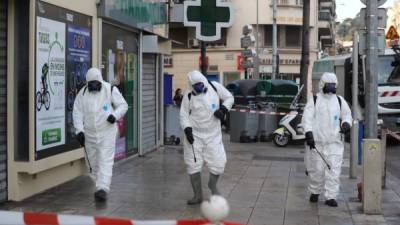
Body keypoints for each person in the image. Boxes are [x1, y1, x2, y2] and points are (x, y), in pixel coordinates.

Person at [73, 67, 128, 202]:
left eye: (96, 84)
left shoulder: (110, 90)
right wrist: (79, 131)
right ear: (87, 83)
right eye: (91, 84)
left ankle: (103, 188)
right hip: (89, 134)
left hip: (107, 133)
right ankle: (99, 185)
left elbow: (123, 105)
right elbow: (77, 113)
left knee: (105, 160)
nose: (94, 86)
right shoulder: (82, 94)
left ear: (100, 81)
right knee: (91, 163)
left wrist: (114, 116)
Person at [180, 70, 234, 205]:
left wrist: (223, 109)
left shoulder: (215, 86)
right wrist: (187, 129)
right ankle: (197, 195)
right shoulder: (188, 95)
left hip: (213, 134)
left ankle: (212, 184)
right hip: (195, 135)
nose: (198, 87)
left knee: (218, 162)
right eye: (195, 85)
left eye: (199, 84)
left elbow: (229, 97)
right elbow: (184, 114)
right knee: (193, 164)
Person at [302, 72, 352, 207]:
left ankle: (331, 196)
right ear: (322, 85)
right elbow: (307, 118)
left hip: (334, 142)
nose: (331, 88)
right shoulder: (315, 100)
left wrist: (346, 123)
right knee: (316, 169)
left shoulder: (339, 101)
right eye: (328, 85)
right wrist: (309, 133)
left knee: (334, 171)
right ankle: (315, 191)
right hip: (317, 143)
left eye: (333, 85)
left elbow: (347, 115)